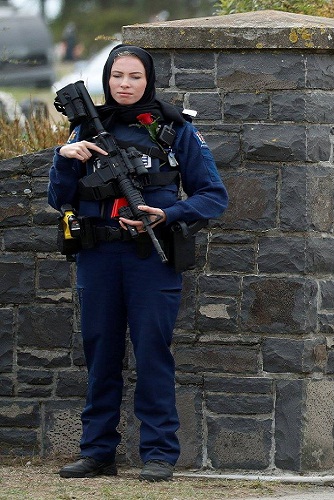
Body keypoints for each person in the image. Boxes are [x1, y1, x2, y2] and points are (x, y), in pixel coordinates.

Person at [48, 44, 228, 482]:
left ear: (149, 80)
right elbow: (60, 199)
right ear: (106, 79)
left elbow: (212, 196)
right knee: (100, 353)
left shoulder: (174, 128)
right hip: (98, 255)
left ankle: (159, 453)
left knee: (152, 353)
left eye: (134, 77)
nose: (125, 85)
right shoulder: (84, 130)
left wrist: (169, 213)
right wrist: (63, 160)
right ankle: (96, 452)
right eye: (116, 77)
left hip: (151, 256)